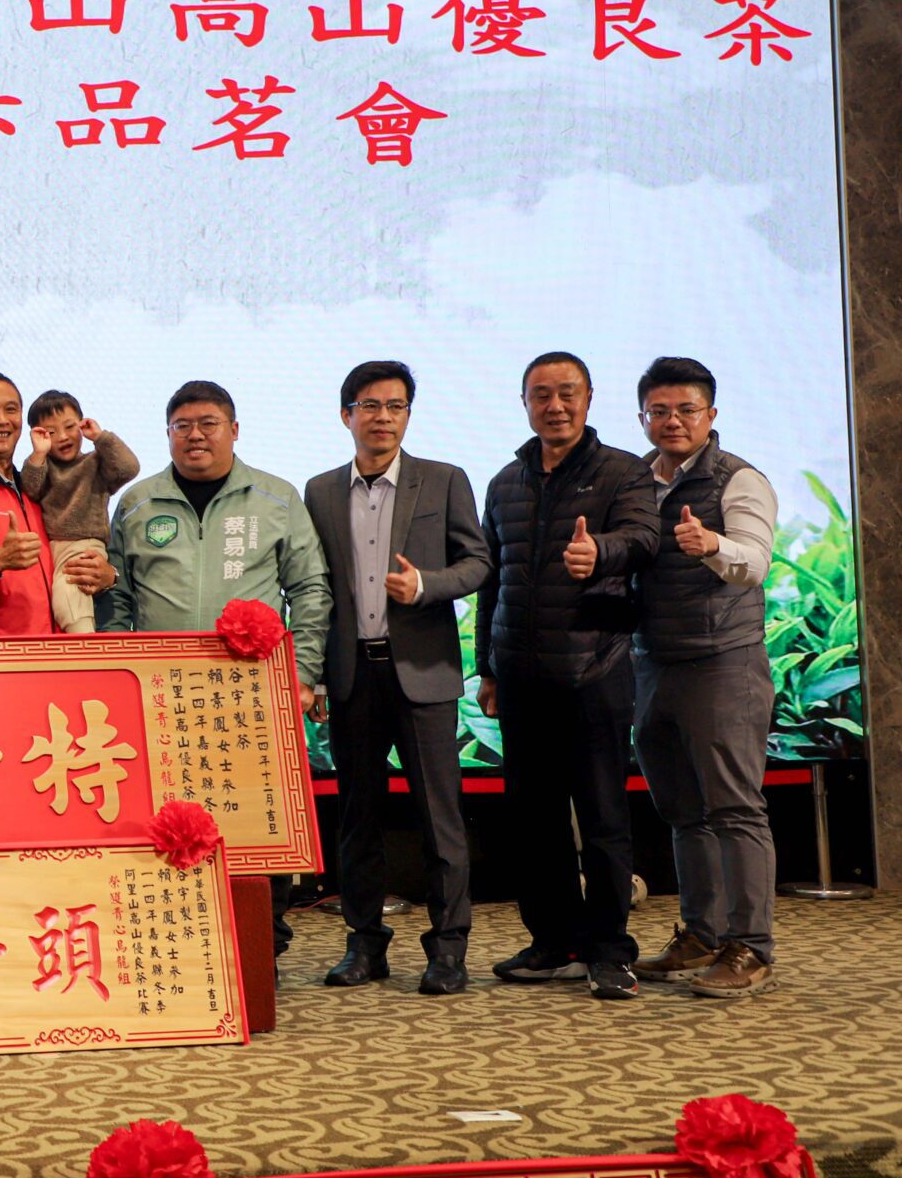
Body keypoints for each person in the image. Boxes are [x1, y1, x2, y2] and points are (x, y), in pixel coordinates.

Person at [100, 380, 329, 956]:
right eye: (182, 426)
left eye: (209, 423)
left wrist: (301, 674)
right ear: (168, 434)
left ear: (234, 430)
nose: (195, 436)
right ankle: (180, 942)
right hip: (162, 694)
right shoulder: (137, 502)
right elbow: (116, 596)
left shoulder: (276, 498)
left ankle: (263, 944)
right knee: (167, 821)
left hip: (251, 692)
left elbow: (309, 589)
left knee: (254, 820)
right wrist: (116, 674)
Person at [476, 350, 659, 1001]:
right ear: (525, 402)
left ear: (588, 399)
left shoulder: (622, 471)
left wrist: (599, 550)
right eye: (541, 394)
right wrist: (486, 668)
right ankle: (554, 942)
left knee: (603, 818)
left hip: (594, 671)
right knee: (535, 820)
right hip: (520, 679)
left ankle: (608, 949)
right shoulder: (505, 482)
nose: (555, 406)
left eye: (567, 393)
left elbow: (644, 538)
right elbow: (493, 580)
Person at [304, 362, 490, 996]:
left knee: (441, 818)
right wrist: (316, 677)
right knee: (358, 817)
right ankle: (364, 944)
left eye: (395, 406)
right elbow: (316, 587)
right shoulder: (320, 491)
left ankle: (449, 949)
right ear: (346, 415)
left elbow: (478, 562)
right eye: (369, 405)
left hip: (423, 674)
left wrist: (426, 586)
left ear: (408, 414)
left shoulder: (443, 480)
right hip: (352, 675)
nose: (382, 417)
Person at [629, 357, 780, 998]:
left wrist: (714, 545)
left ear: (710, 415)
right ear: (643, 417)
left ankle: (751, 948)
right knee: (683, 811)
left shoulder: (739, 479)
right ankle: (701, 934)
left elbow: (756, 562)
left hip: (724, 662)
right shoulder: (635, 479)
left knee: (735, 808)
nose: (673, 421)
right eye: (659, 411)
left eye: (686, 410)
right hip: (651, 661)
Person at [0, 372, 114, 634]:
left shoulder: (34, 485)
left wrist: (108, 576)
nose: (2, 420)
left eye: (11, 410)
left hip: (55, 650)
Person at [20, 390, 140, 634]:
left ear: (82, 424)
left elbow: (129, 468)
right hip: (52, 549)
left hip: (84, 544)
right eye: (51, 432)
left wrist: (101, 437)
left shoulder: (95, 462)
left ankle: (84, 643)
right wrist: (38, 453)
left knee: (69, 594)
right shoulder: (43, 466)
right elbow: (30, 489)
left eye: (69, 427)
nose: (63, 436)